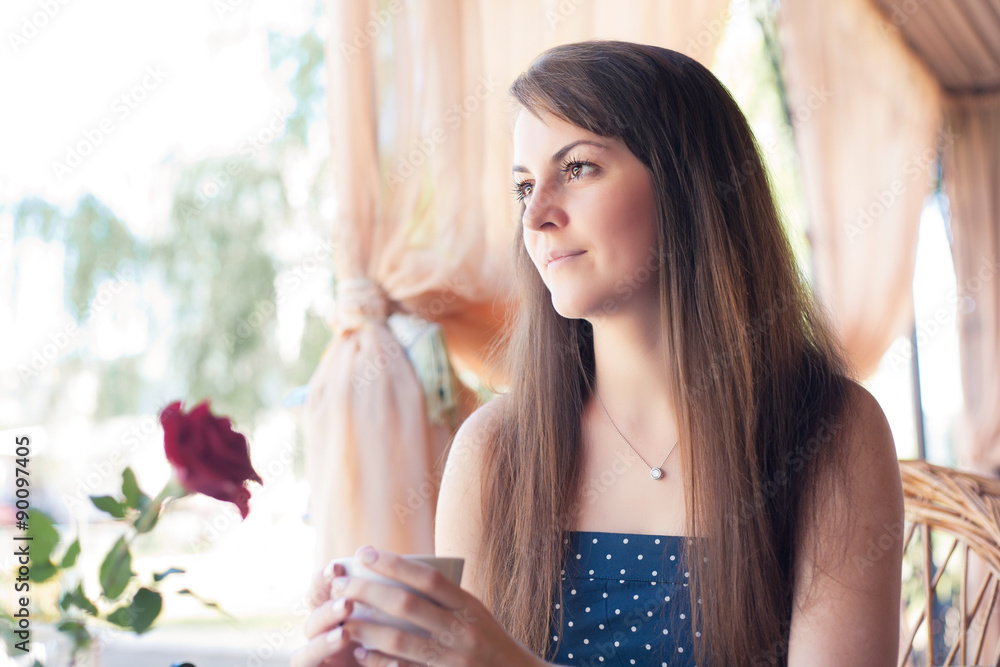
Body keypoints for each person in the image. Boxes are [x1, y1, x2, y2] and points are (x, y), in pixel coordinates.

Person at [292, 40, 904, 667]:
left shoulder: (832, 435)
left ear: (690, 184)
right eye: (524, 187)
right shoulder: (494, 451)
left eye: (578, 168)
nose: (535, 215)